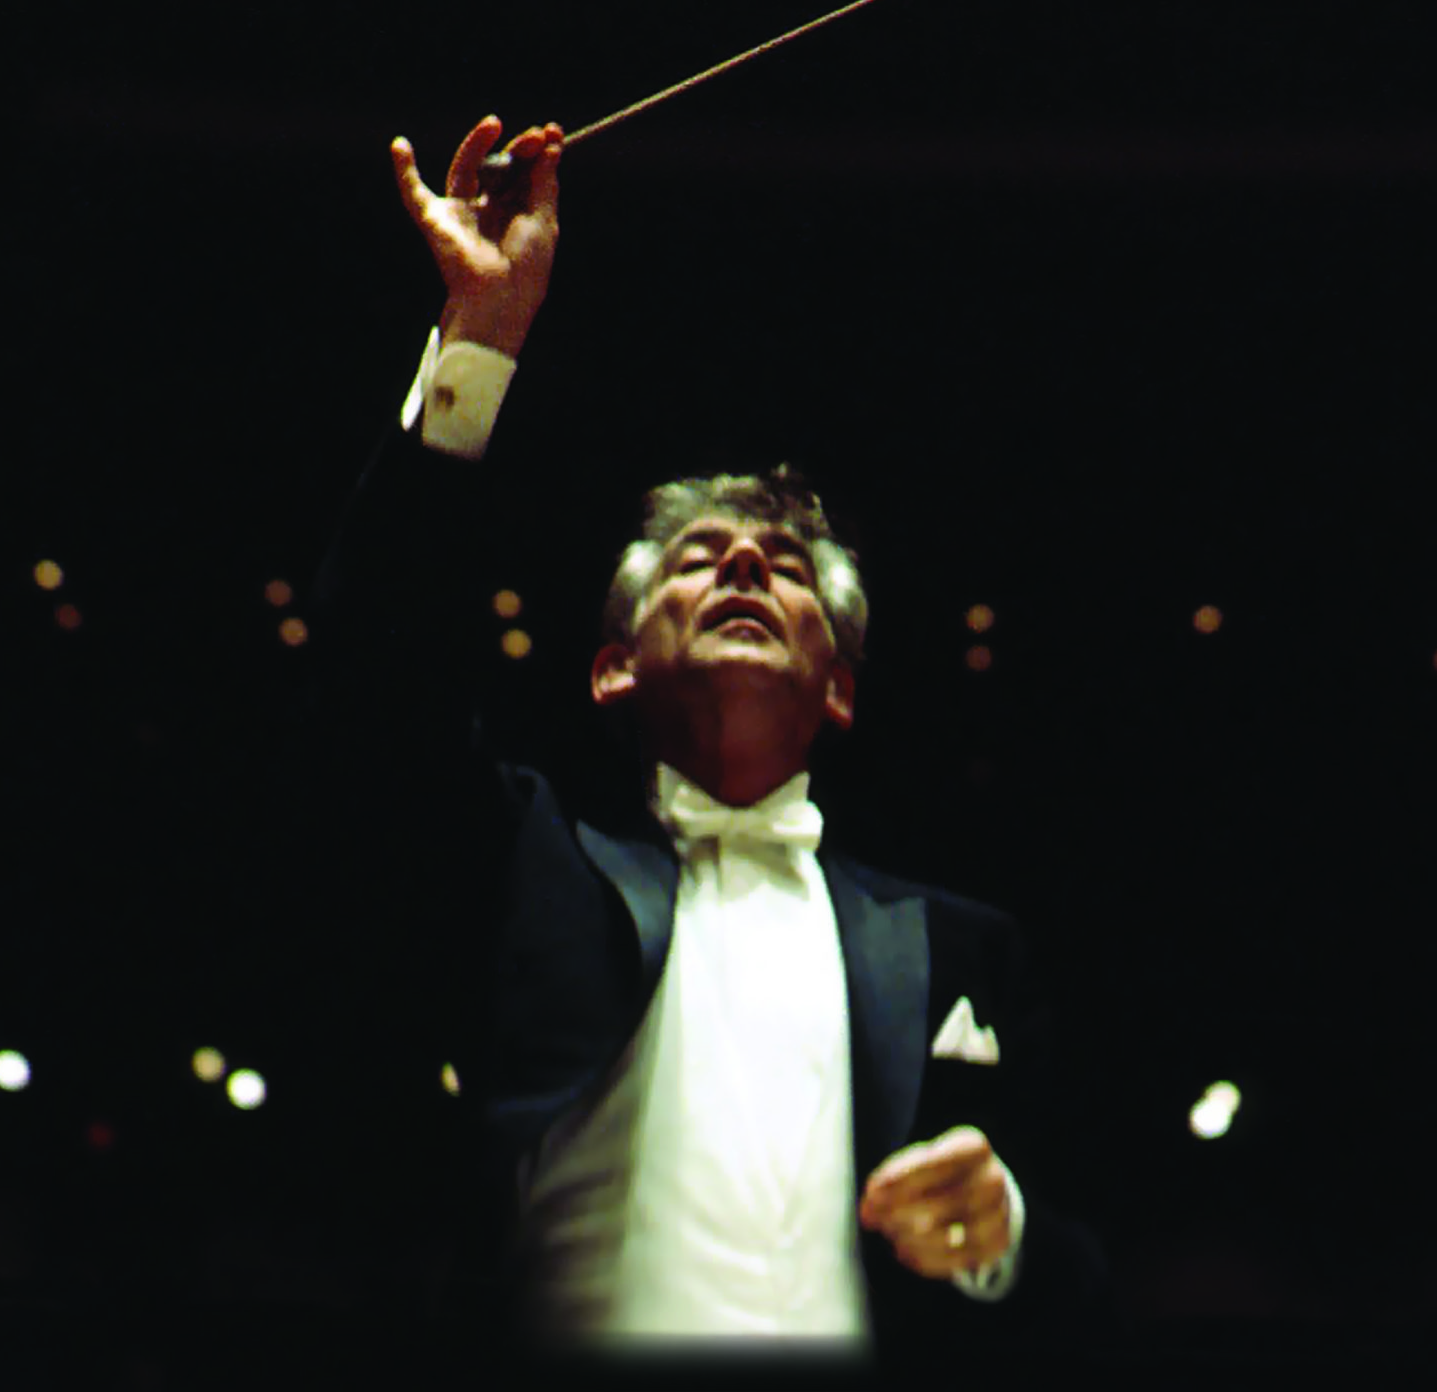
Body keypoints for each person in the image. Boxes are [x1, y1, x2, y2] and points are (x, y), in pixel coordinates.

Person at [306, 114, 1113, 1382]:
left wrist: (1002, 1235)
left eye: (784, 568)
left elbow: (1094, 1275)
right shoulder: (525, 867)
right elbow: (373, 677)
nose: (743, 560)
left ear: (838, 686)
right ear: (612, 667)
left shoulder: (969, 946)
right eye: (698, 559)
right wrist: (476, 350)